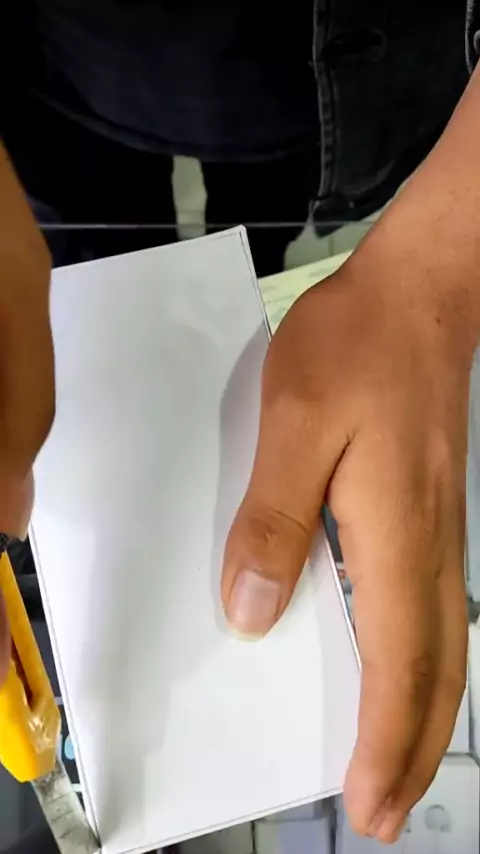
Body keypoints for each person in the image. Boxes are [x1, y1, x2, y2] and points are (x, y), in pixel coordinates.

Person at [1, 0, 480, 845]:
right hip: (54, 71)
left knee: (252, 234)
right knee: (95, 254)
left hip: (315, 76)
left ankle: (242, 272)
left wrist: (440, 266)